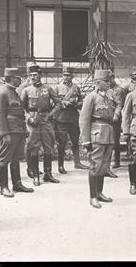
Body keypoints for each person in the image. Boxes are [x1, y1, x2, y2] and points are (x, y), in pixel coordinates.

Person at [0, 68, 34, 197]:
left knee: (16, 158)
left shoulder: (14, 92)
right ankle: (3, 187)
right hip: (9, 132)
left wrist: (25, 129)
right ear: (11, 78)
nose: (20, 79)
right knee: (4, 159)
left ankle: (17, 184)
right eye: (18, 77)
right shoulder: (2, 94)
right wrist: (4, 134)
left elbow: (20, 113)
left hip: (19, 131)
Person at [79, 70, 115, 209]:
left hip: (108, 134)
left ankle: (99, 193)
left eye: (109, 81)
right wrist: (86, 140)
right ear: (98, 83)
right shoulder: (91, 97)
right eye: (106, 81)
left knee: (103, 166)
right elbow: (84, 120)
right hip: (97, 135)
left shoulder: (107, 97)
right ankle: (93, 197)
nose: (109, 83)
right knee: (95, 166)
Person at [21, 64, 61, 186]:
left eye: (35, 75)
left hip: (45, 120)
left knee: (48, 147)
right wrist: (28, 118)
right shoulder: (26, 90)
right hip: (33, 121)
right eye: (31, 75)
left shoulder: (48, 89)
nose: (33, 77)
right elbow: (21, 108)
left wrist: (50, 115)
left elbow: (58, 104)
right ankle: (36, 176)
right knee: (33, 147)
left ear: (40, 75)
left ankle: (48, 174)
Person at [52, 66, 89, 174]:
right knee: (62, 143)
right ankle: (60, 165)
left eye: (68, 75)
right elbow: (53, 103)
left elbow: (81, 102)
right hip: (61, 119)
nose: (66, 77)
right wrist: (63, 103)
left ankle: (77, 163)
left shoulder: (76, 88)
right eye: (64, 75)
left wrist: (77, 103)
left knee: (75, 141)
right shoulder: (57, 88)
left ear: (72, 76)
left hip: (73, 118)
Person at [107, 69, 126, 173]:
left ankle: (117, 160)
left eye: (110, 79)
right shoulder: (105, 89)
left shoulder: (118, 90)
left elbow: (120, 104)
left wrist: (116, 115)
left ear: (113, 78)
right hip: (106, 117)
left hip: (115, 118)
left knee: (115, 140)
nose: (108, 81)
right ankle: (107, 161)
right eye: (107, 79)